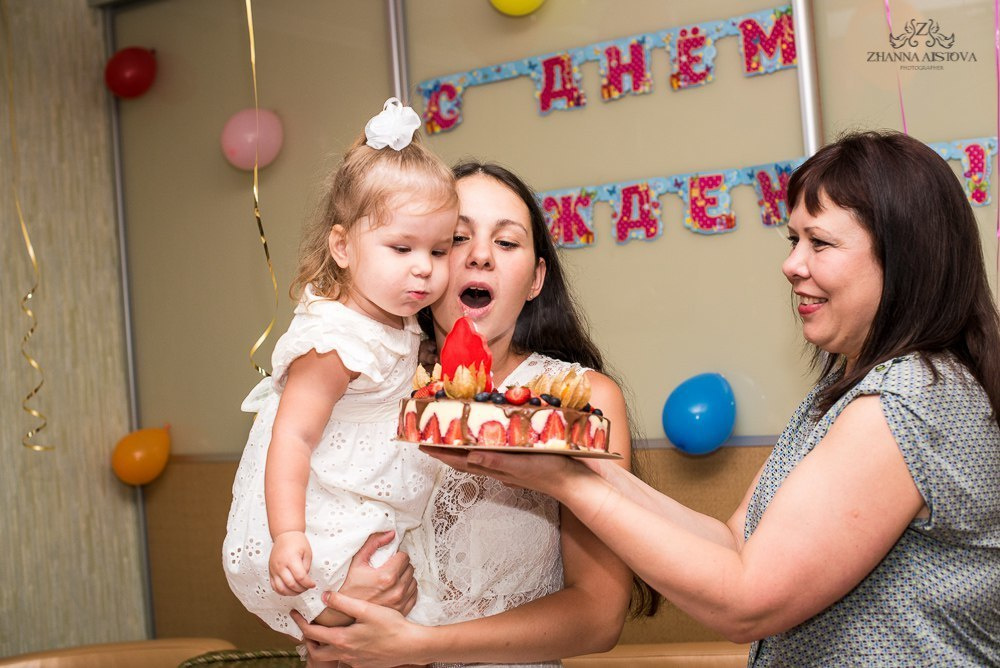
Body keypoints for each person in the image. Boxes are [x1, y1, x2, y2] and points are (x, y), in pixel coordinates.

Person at [410, 130, 1000, 666]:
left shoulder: (908, 400)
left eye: (818, 243)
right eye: (793, 239)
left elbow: (746, 601)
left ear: (902, 259)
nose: (791, 265)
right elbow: (733, 541)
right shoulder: (845, 389)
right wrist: (559, 450)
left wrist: (567, 482)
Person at [292, 161, 658, 667]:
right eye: (457, 239)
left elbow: (599, 615)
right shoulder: (356, 386)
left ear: (535, 278)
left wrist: (417, 645)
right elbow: (284, 542)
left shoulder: (580, 401)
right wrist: (334, 597)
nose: (481, 256)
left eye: (507, 243)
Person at [222, 98, 458, 662]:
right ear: (342, 247)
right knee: (353, 631)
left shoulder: (395, 319)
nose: (423, 266)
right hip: (321, 516)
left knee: (386, 633)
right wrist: (288, 534)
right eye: (401, 248)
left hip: (367, 503)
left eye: (439, 249)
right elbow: (292, 436)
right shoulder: (335, 340)